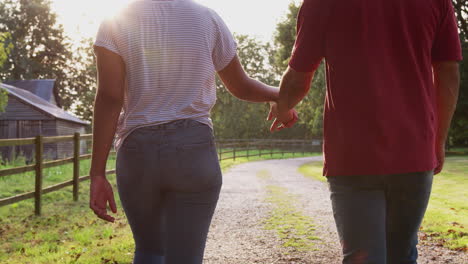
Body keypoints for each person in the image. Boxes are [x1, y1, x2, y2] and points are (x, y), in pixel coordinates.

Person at [88, 0, 297, 263]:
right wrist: (282, 98)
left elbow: (109, 97)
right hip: (192, 150)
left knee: (150, 251)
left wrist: (97, 173)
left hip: (138, 152)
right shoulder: (207, 19)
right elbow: (240, 85)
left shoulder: (114, 22)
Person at [270, 0, 462, 263]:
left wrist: (283, 107)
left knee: (362, 257)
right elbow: (448, 71)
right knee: (402, 255)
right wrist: (438, 139)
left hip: (353, 155)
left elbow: (298, 75)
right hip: (415, 152)